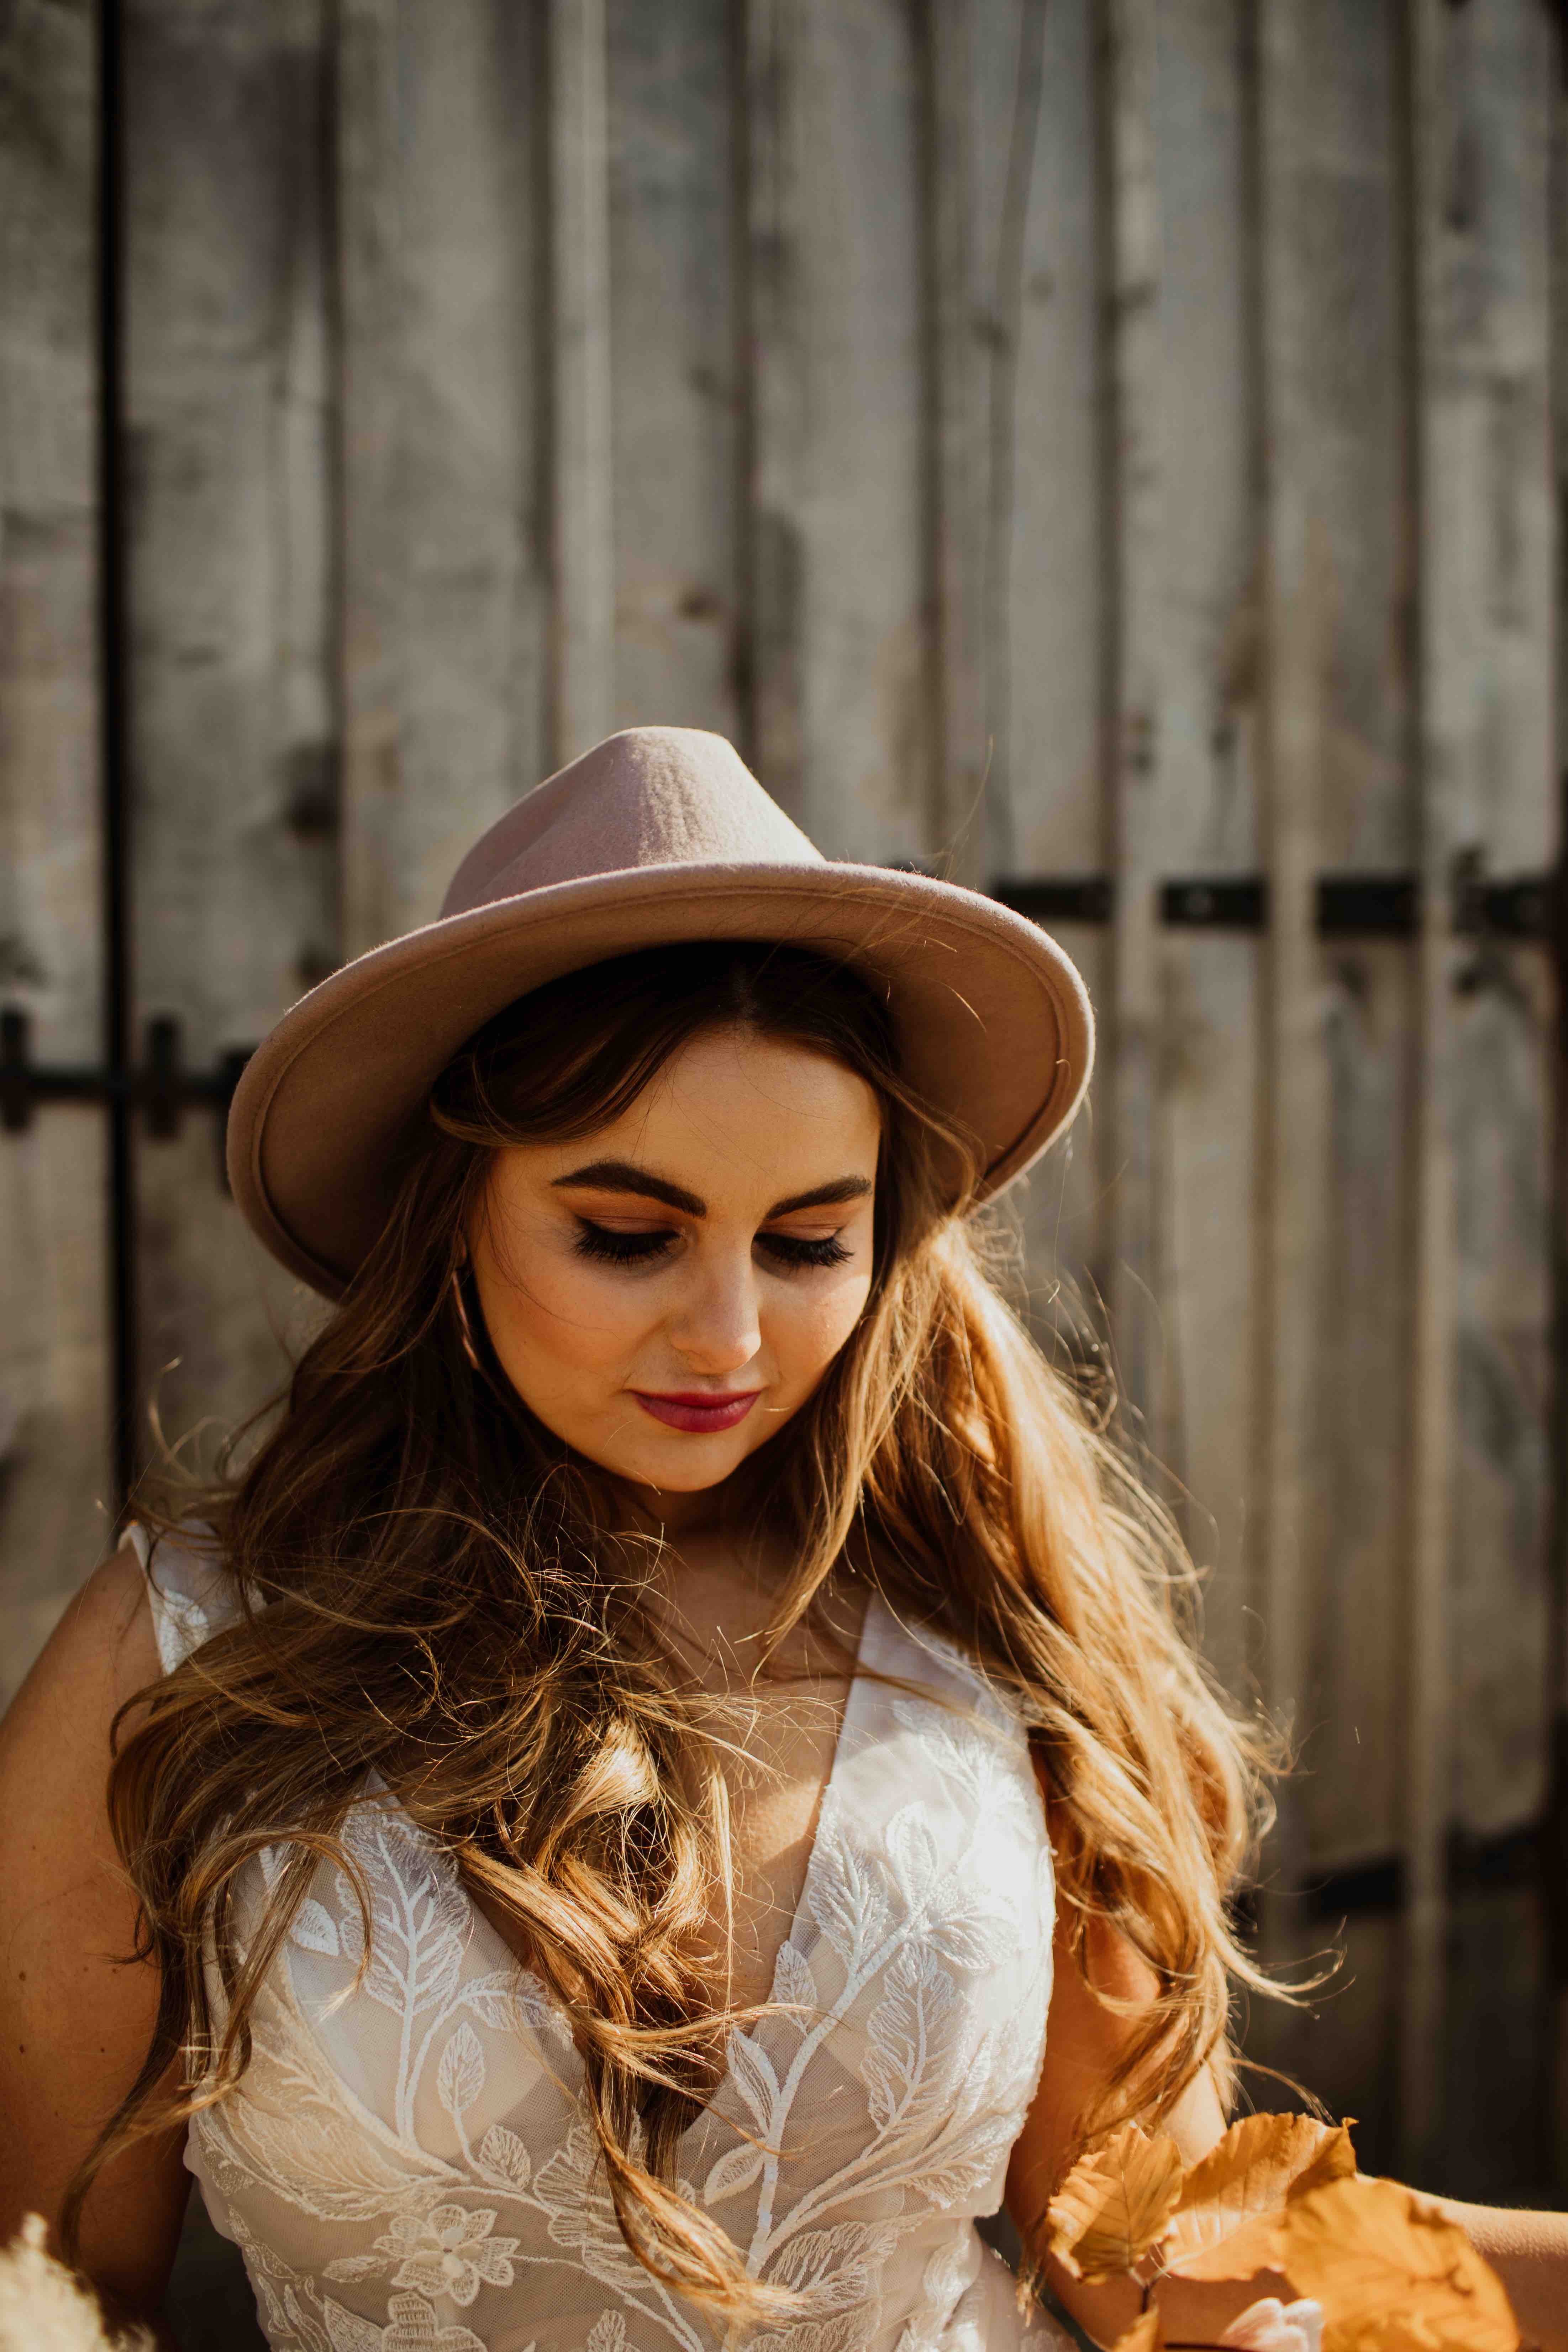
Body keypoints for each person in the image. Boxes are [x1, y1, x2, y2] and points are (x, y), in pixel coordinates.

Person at [0, 727, 1562, 2352]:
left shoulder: (987, 1632)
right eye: (625, 1236)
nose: (731, 1335)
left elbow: (1170, 2261)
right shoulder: (184, 1663)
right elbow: (41, 2302)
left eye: (811, 1240)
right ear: (447, 1211)